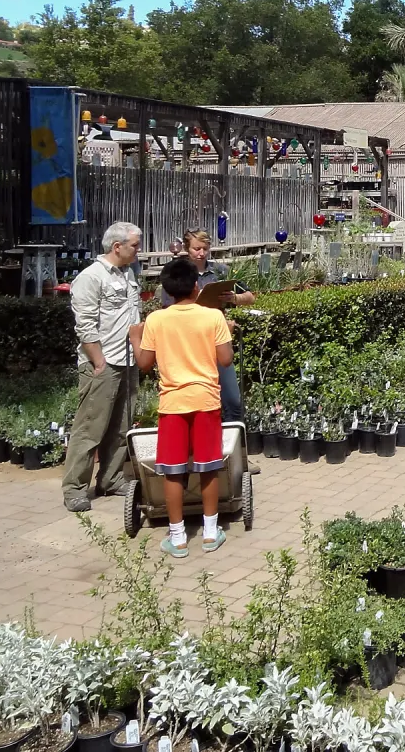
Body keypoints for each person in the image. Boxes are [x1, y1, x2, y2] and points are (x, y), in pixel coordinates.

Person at [130, 256, 234, 557]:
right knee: (209, 467)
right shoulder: (211, 317)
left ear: (166, 289)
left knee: (173, 472)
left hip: (172, 404)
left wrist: (136, 339)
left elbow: (145, 364)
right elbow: (225, 359)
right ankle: (211, 532)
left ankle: (177, 538)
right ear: (197, 286)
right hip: (205, 400)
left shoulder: (156, 320)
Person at [63, 222, 143, 513]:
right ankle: (74, 488)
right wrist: (97, 361)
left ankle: (110, 479)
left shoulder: (129, 273)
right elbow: (84, 325)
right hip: (103, 363)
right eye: (134, 245)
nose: (138, 250)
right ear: (117, 246)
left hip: (127, 361)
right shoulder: (91, 277)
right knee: (90, 429)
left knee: (121, 426)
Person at [163, 229, 255, 424]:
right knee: (197, 402)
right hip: (188, 342)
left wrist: (234, 298)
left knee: (233, 400)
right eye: (197, 248)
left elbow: (251, 297)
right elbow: (167, 308)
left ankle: (232, 447)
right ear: (187, 249)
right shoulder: (178, 274)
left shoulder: (220, 271)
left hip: (217, 339)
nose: (201, 253)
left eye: (205, 248)